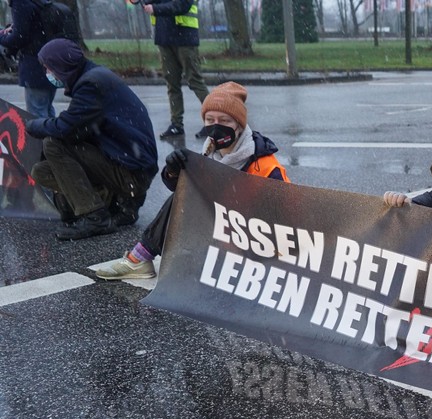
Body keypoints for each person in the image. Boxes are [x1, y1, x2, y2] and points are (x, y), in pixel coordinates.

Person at [96, 82, 290, 280]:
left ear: (239, 126)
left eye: (224, 120)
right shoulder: (207, 154)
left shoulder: (264, 165)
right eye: (209, 119)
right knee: (184, 193)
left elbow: (287, 217)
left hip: (254, 241)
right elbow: (181, 191)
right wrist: (173, 171)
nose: (216, 126)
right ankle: (140, 258)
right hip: (222, 232)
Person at [25, 38, 158, 240]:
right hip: (129, 169)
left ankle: (95, 216)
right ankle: (117, 204)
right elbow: (78, 130)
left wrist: (34, 125)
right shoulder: (95, 76)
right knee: (42, 171)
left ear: (61, 66)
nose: (47, 74)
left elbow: (64, 127)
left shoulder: (91, 84)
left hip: (132, 175)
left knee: (53, 144)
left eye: (48, 68)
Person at [141, 0, 209, 139]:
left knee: (195, 81)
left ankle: (214, 124)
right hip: (164, 38)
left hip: (185, 38)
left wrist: (155, 8)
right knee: (172, 83)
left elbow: (182, 5)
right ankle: (176, 125)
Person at [0, 0, 63, 117]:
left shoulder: (20, 3)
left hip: (34, 66)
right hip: (50, 62)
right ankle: (50, 135)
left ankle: (42, 136)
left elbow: (19, 37)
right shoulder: (38, 2)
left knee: (36, 114)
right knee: (47, 110)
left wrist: (2, 36)